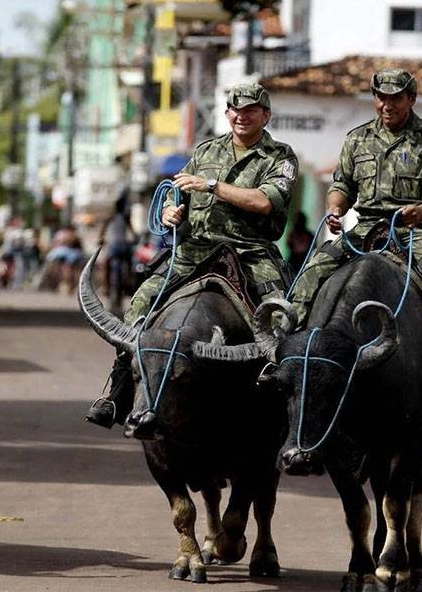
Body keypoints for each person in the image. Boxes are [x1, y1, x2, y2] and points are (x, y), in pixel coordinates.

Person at [86, 83, 298, 428]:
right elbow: (178, 195)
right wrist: (172, 211)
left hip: (250, 250)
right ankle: (118, 392)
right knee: (140, 303)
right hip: (196, 248)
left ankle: (283, 397)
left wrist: (212, 186)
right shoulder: (206, 151)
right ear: (227, 114)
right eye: (235, 110)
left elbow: (264, 201)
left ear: (266, 115)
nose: (241, 116)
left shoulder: (280, 157)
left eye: (250, 111)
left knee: (284, 314)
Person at [288, 68, 422, 411]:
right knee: (312, 271)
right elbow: (342, 185)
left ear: (411, 99)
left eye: (395, 97)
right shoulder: (357, 138)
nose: (387, 104)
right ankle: (291, 354)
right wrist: (336, 211)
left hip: (417, 231)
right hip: (365, 229)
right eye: (381, 97)